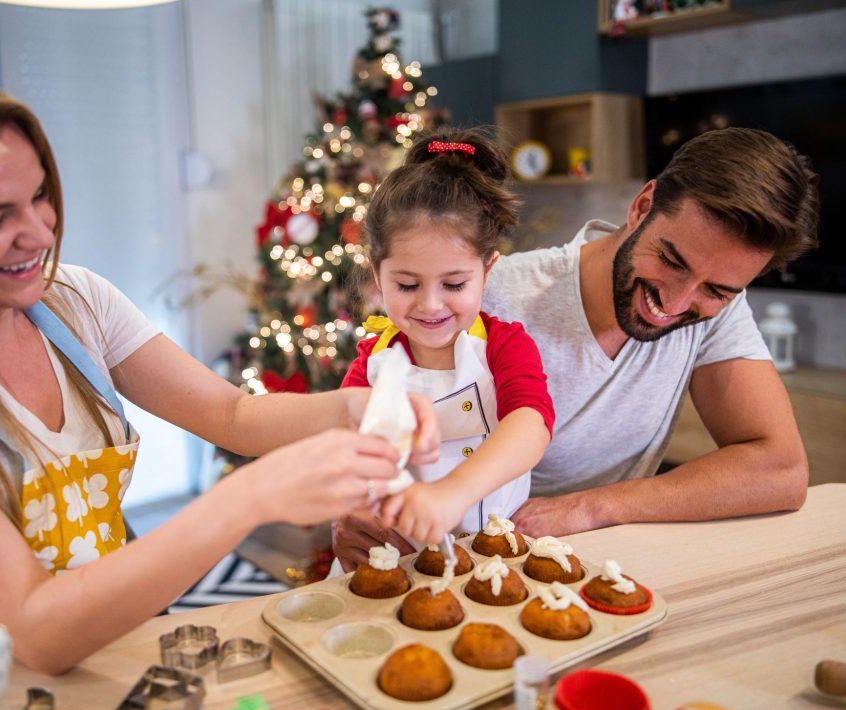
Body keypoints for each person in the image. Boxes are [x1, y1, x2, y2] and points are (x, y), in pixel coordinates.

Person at [0, 54, 439, 674]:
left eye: (40, 196)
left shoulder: (74, 303)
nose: (39, 233)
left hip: (107, 655)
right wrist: (251, 497)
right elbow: (38, 630)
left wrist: (351, 407)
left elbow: (230, 413)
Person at [333, 126, 818, 569]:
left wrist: (592, 507)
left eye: (717, 290)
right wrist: (355, 512)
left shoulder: (720, 308)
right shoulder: (484, 297)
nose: (674, 303)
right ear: (643, 206)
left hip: (606, 563)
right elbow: (364, 427)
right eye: (671, 260)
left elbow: (781, 470)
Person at [340, 130, 554, 547]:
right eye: (406, 285)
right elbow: (346, 451)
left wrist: (453, 492)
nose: (431, 305)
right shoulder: (373, 361)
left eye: (454, 284)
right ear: (377, 273)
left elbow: (531, 425)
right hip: (394, 554)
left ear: (487, 271)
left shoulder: (504, 346)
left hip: (491, 553)